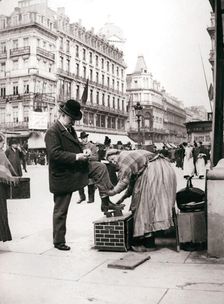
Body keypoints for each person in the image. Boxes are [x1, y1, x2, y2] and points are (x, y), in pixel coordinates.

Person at [45, 99, 123, 251]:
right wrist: (76, 157)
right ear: (62, 114)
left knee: (100, 167)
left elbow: (77, 145)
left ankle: (105, 201)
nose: (73, 122)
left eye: (74, 119)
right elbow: (54, 154)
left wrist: (84, 150)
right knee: (61, 210)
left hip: (75, 168)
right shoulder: (52, 132)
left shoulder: (69, 129)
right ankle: (58, 241)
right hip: (62, 174)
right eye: (71, 119)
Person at [105, 149, 177, 252]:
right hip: (164, 169)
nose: (113, 162)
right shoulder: (132, 159)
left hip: (154, 171)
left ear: (117, 154)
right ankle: (152, 239)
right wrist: (123, 197)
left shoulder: (123, 157)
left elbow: (124, 181)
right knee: (154, 205)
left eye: (113, 159)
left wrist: (111, 192)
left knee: (144, 207)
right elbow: (132, 183)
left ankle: (147, 242)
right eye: (110, 162)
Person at [0, 133, 18, 242]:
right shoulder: (1, 153)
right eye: (2, 142)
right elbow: (8, 168)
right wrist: (15, 177)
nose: (3, 144)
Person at [77, 131, 99, 204]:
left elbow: (96, 157)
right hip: (81, 166)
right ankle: (82, 197)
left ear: (87, 138)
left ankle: (91, 198)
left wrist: (88, 157)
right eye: (82, 138)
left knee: (90, 182)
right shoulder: (79, 146)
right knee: (79, 181)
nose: (84, 140)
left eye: (85, 138)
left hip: (89, 166)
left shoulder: (92, 146)